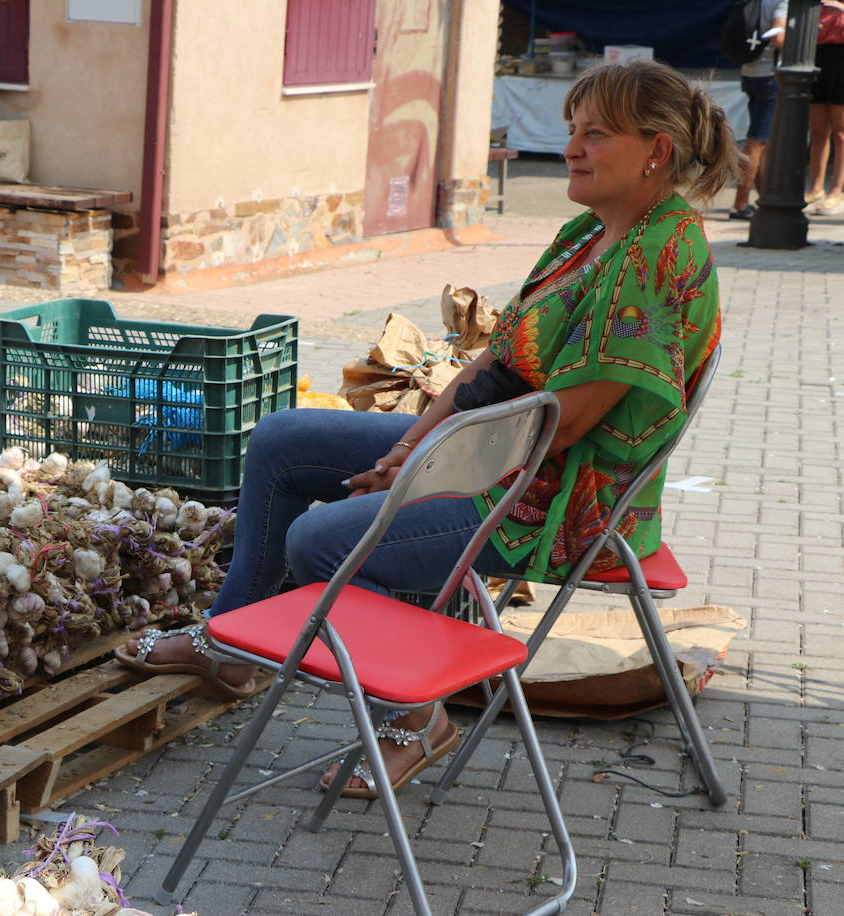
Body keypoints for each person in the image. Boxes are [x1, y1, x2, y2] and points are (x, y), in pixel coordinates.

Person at [119, 58, 737, 799]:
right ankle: (233, 643)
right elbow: (495, 369)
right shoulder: (586, 234)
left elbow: (560, 427)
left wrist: (420, 471)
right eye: (572, 130)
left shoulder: (661, 255)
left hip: (558, 505)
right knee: (284, 441)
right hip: (495, 459)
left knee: (323, 540)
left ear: (656, 151)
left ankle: (414, 717)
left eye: (594, 134)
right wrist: (412, 446)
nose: (571, 147)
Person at [731, 0, 788, 219]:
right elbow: (778, 38)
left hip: (749, 72)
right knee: (756, 141)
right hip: (770, 76)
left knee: (762, 140)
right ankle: (740, 203)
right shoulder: (783, 2)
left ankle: (764, 196)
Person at [806, 0, 844, 214]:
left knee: (841, 132)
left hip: (842, 57)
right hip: (819, 57)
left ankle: (837, 190)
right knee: (818, 130)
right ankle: (816, 188)